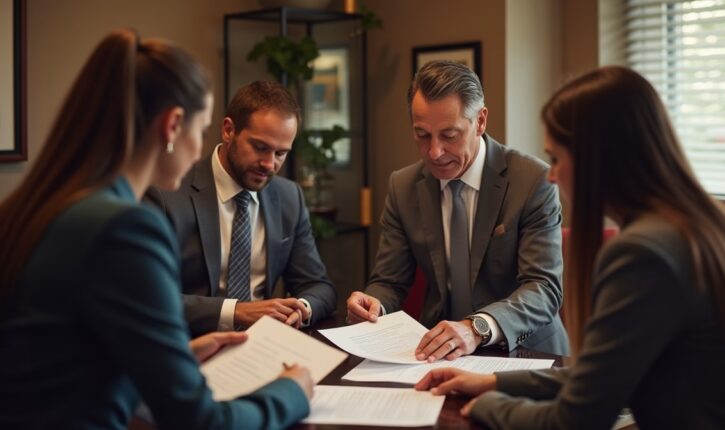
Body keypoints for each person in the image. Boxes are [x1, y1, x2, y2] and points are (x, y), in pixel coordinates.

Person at [415, 66, 725, 429]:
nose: (551, 175)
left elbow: (574, 420)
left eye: (556, 158)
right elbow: (606, 375)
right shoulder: (716, 225)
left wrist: (484, 406)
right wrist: (494, 382)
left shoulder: (644, 253)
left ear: (596, 156)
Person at [0, 29, 313, 429]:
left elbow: (66, 366)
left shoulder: (47, 205)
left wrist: (175, 355)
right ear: (172, 126)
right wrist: (291, 390)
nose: (200, 150)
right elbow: (200, 422)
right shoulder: (125, 228)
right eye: (199, 132)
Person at [347, 60, 568, 361]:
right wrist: (374, 304)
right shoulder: (403, 186)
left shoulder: (532, 181)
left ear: (480, 121)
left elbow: (543, 289)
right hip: (442, 355)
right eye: (422, 135)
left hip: (525, 352)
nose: (434, 152)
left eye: (449, 135)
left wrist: (477, 328)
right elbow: (389, 281)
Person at [146, 80, 336, 337]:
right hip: (190, 345)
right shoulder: (167, 193)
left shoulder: (289, 196)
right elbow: (148, 296)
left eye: (281, 153)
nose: (269, 164)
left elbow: (318, 286)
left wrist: (300, 308)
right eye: (260, 147)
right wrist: (236, 312)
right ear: (228, 130)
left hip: (264, 346)